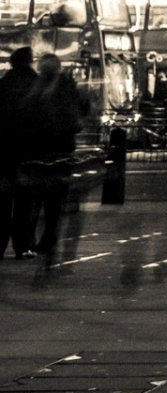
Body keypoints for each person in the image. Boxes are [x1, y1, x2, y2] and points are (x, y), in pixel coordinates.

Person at [26, 54, 86, 256]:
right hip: (61, 148)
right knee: (53, 199)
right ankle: (47, 237)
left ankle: (38, 238)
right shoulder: (67, 87)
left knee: (39, 197)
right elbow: (81, 111)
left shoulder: (38, 89)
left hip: (42, 149)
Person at [0, 47, 41, 258]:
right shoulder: (37, 85)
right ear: (30, 61)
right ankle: (23, 245)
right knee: (26, 202)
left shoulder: (3, 85)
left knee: (2, 201)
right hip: (29, 152)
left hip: (5, 152)